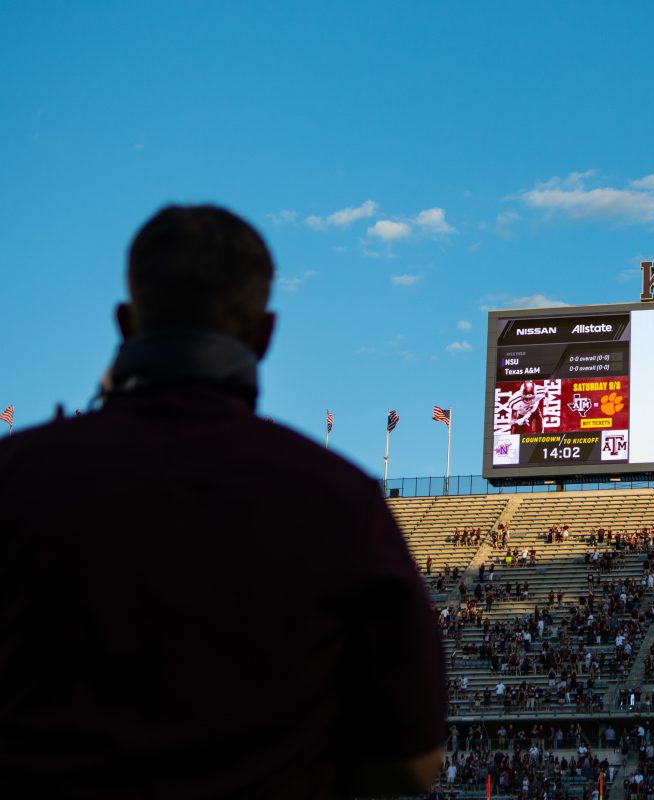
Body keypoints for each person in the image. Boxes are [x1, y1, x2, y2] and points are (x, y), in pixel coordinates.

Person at [0, 206, 446, 797]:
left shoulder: (17, 474)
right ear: (265, 334)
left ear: (125, 323)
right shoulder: (337, 499)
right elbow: (411, 767)